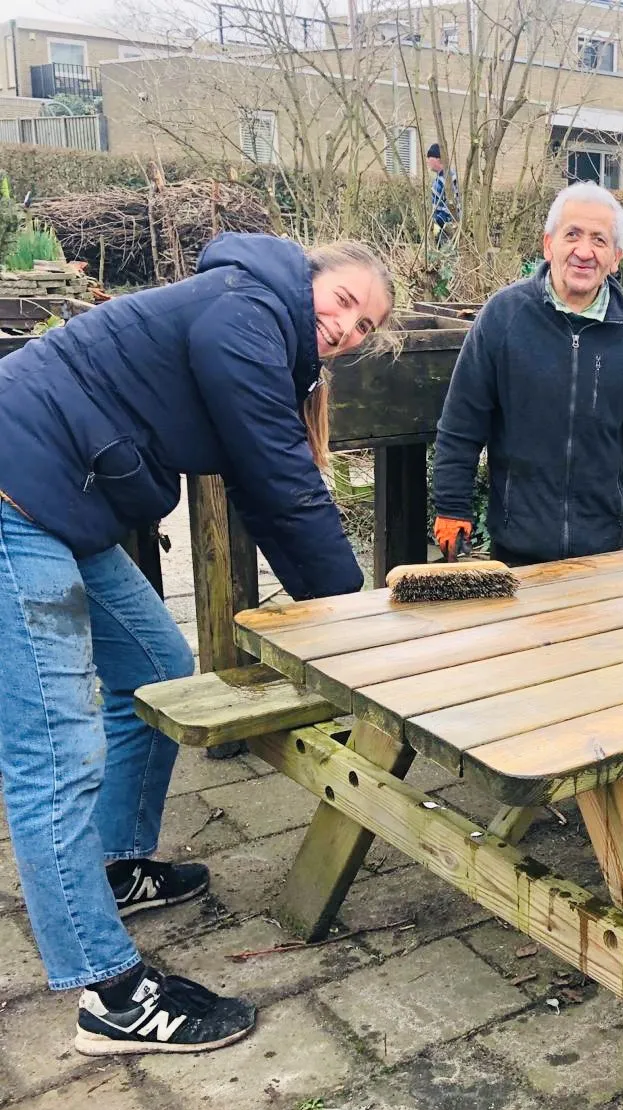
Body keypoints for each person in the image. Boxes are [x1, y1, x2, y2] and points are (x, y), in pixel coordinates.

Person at [0, 233, 393, 1056]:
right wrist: (357, 623)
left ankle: (115, 868)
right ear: (310, 276)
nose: (350, 331)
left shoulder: (256, 325)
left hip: (58, 498)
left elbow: (268, 479)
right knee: (53, 756)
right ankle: (109, 996)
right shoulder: (247, 307)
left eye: (367, 329)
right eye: (347, 303)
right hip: (12, 493)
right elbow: (282, 485)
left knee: (157, 672)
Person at [430, 181, 623, 566]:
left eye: (599, 240)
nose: (584, 251)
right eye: (572, 235)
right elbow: (462, 422)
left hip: (604, 554)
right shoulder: (504, 317)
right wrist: (451, 505)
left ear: (616, 257)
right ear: (549, 244)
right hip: (515, 551)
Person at [426, 143, 457, 244]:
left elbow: (452, 205)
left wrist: (438, 223)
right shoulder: (440, 178)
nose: (427, 161)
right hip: (441, 229)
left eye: (430, 157)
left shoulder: (447, 179)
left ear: (438, 159)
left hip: (446, 231)